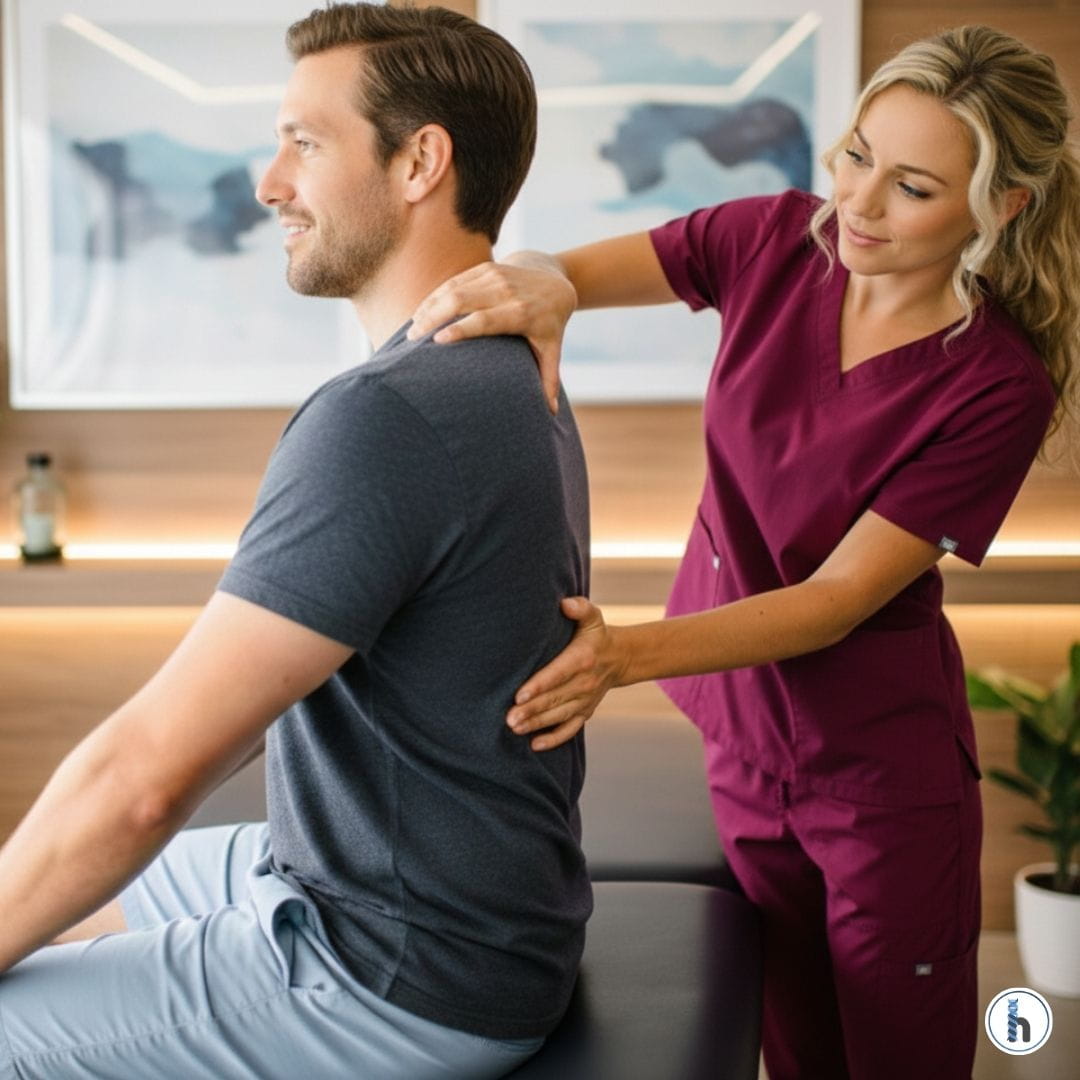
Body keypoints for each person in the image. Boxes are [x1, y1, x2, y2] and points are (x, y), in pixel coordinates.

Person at [408, 24, 1080, 1080]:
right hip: (745, 747)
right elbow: (560, 273)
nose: (856, 205)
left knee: (901, 1057)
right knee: (795, 1047)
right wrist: (538, 286)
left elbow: (837, 598)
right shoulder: (769, 239)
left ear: (1003, 207)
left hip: (880, 776)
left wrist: (621, 656)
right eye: (857, 155)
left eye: (912, 188)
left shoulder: (993, 384)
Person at [0, 5, 589, 1078]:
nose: (269, 183)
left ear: (420, 162)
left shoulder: (394, 413)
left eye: (304, 144)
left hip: (400, 972)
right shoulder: (509, 365)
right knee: (56, 900)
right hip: (407, 897)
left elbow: (143, 777)